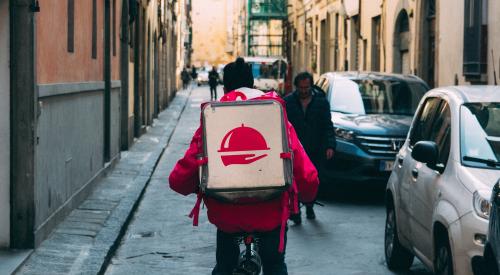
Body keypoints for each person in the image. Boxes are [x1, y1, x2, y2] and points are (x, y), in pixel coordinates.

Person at [169, 57, 319, 275]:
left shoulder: (215, 118)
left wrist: (190, 186)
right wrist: (307, 195)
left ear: (225, 87)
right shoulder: (274, 114)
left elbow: (181, 176)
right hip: (271, 214)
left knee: (224, 267)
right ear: (253, 84)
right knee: (275, 267)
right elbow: (305, 171)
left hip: (228, 217)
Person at [284, 71, 336, 224]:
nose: (304, 90)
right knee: (295, 181)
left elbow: (328, 125)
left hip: (316, 148)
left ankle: (310, 206)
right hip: (295, 149)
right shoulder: (288, 102)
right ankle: (296, 210)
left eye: (306, 87)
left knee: (312, 181)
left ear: (311, 86)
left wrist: (330, 145)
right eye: (301, 87)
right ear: (296, 87)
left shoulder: (321, 102)